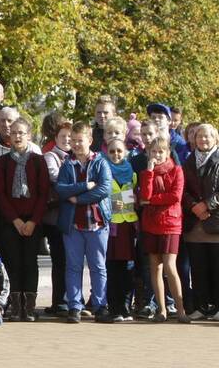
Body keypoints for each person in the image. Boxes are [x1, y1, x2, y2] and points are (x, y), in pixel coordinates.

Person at [56, 122, 113, 323]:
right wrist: (85, 185)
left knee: (98, 266)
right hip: (73, 225)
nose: (77, 144)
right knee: (73, 266)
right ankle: (74, 306)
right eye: (74, 141)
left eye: (81, 140)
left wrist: (78, 198)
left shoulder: (100, 162)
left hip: (96, 224)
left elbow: (104, 189)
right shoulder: (66, 164)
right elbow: (61, 189)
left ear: (90, 140)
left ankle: (100, 305)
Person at [0, 116, 49, 321]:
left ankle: (30, 307)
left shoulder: (38, 161)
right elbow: (0, 194)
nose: (17, 136)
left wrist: (33, 221)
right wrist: (16, 221)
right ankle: (16, 307)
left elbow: (44, 193)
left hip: (33, 221)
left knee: (30, 263)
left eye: (21, 133)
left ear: (29, 135)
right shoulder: (3, 162)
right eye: (14, 132)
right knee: (13, 262)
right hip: (11, 221)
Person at [181, 123, 219, 320]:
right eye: (199, 136)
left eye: (207, 136)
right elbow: (183, 189)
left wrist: (207, 205)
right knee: (198, 268)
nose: (203, 140)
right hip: (194, 222)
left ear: (215, 139)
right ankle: (201, 307)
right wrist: (194, 206)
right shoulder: (188, 161)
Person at [138, 138, 190, 323]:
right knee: (155, 267)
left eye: (161, 151)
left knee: (170, 266)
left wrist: (152, 200)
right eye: (154, 152)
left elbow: (175, 196)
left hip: (170, 223)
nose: (157, 155)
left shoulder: (177, 170)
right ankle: (161, 310)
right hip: (151, 224)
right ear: (149, 153)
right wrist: (150, 173)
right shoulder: (147, 172)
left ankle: (181, 310)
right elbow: (144, 195)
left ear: (167, 153)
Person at [104, 139, 138, 321]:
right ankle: (114, 307)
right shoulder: (103, 171)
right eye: (112, 151)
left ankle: (126, 307)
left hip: (128, 226)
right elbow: (105, 200)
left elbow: (133, 200)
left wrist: (121, 202)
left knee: (128, 269)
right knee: (112, 268)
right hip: (111, 227)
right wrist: (121, 203)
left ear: (125, 152)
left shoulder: (131, 173)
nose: (116, 154)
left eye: (119, 151)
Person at [42, 117, 71, 316]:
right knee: (60, 260)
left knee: (73, 261)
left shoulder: (79, 156)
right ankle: (59, 301)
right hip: (55, 218)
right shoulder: (51, 156)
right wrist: (79, 183)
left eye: (71, 136)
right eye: (63, 136)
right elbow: (55, 178)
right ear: (56, 137)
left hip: (74, 217)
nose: (68, 140)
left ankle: (71, 300)